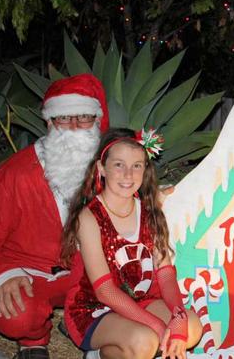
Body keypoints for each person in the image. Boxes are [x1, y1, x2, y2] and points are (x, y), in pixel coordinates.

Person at [0, 73, 110, 359]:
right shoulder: (16, 173)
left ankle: (87, 325)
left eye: (84, 117)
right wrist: (3, 275)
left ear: (99, 121)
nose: (74, 127)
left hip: (90, 273)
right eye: (63, 118)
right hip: (32, 277)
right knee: (16, 315)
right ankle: (33, 340)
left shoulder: (111, 170)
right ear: (49, 122)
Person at [60, 128, 202, 359]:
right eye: (119, 165)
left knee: (191, 328)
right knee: (145, 340)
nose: (128, 174)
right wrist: (157, 326)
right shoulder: (89, 218)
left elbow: (165, 273)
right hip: (95, 307)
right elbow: (105, 291)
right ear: (101, 168)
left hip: (141, 300)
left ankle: (141, 340)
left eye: (137, 165)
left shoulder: (149, 212)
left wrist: (178, 316)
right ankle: (99, 354)